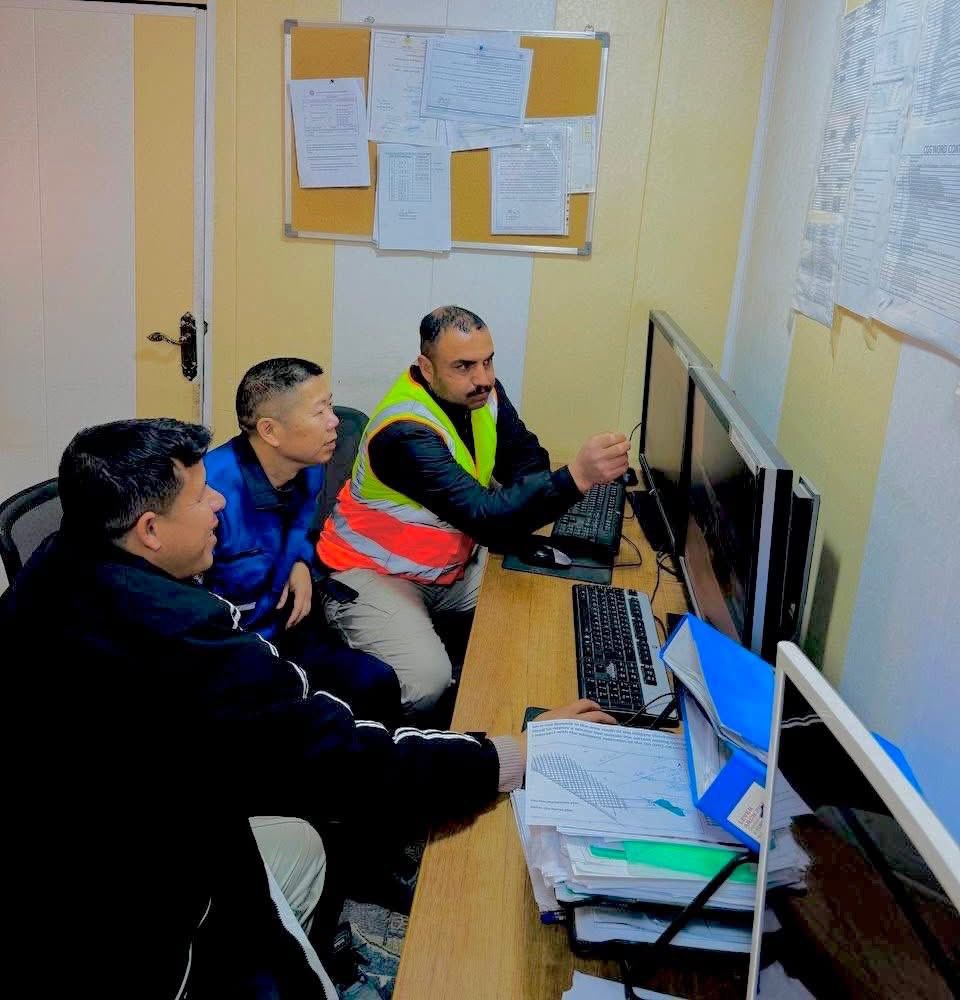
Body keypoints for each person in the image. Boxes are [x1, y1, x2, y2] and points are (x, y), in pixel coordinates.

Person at [0, 417, 615, 998]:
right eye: (199, 496)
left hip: (73, 841)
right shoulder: (176, 633)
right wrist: (514, 754)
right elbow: (344, 760)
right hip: (133, 913)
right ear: (150, 531)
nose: (217, 503)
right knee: (294, 888)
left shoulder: (57, 564)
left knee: (302, 835)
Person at [317, 305, 631, 713]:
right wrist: (576, 477)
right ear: (426, 368)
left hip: (449, 565)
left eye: (488, 361)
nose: (482, 378)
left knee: (542, 599)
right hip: (375, 573)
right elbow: (485, 519)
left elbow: (528, 461)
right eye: (463, 366)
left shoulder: (485, 396)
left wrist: (531, 497)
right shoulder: (404, 432)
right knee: (427, 681)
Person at [203, 357, 399, 721]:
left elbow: (299, 530)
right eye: (319, 411)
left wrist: (298, 561)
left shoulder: (307, 468)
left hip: (285, 626)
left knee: (378, 681)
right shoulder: (210, 495)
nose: (335, 421)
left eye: (330, 406)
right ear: (270, 431)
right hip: (232, 653)